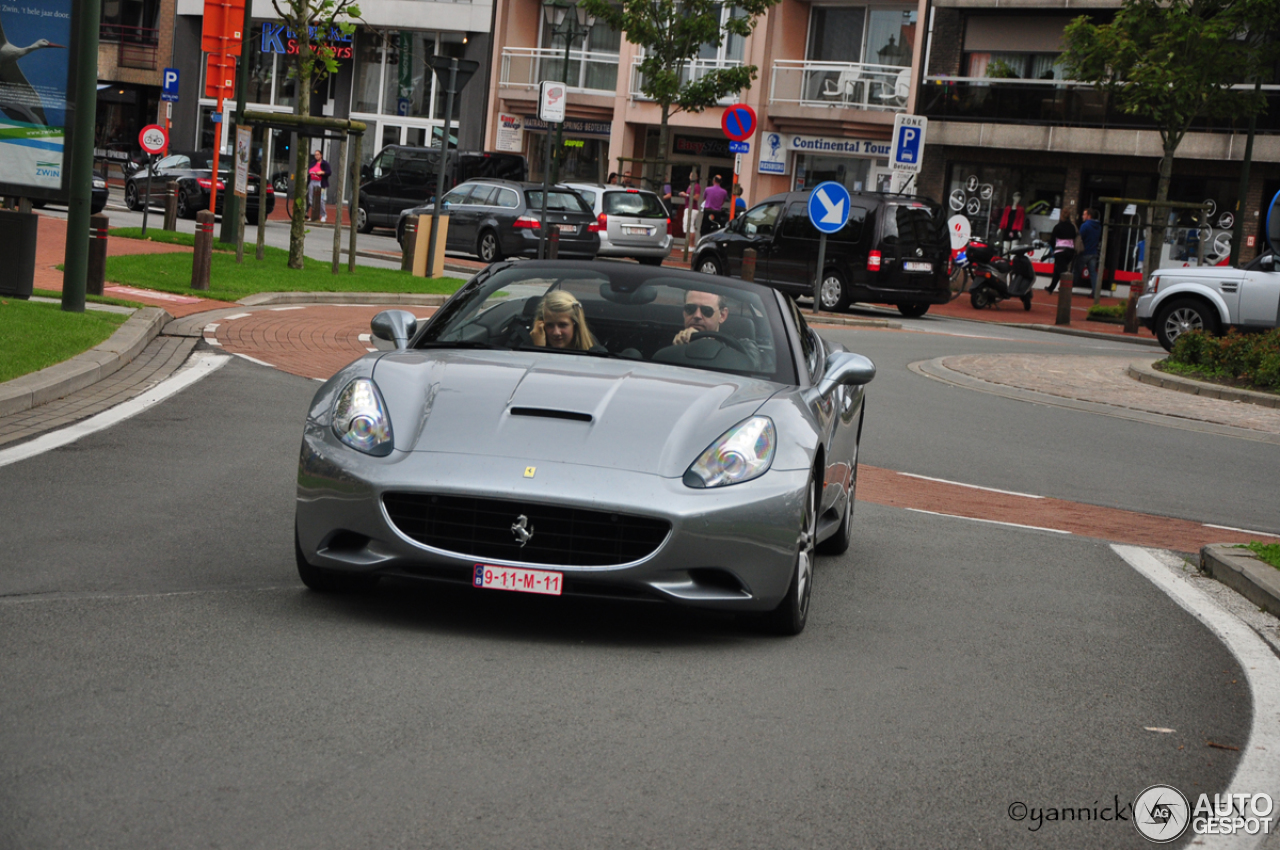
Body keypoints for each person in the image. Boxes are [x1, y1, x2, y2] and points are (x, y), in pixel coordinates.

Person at [530, 291, 596, 351]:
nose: (556, 333)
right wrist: (538, 348)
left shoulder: (595, 353)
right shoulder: (525, 350)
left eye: (562, 325)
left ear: (575, 324)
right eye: (550, 325)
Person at [1045, 216, 1077, 294]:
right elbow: (1074, 237)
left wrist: (1054, 248)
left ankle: (1066, 289)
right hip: (1070, 251)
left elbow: (1052, 239)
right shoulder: (1072, 227)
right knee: (1058, 269)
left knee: (1062, 271)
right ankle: (1051, 288)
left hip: (1060, 251)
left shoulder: (1058, 227)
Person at [1076, 208, 1102, 290]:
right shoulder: (1098, 226)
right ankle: (1095, 291)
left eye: (1084, 214)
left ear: (1089, 216)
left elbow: (1080, 238)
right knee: (1093, 273)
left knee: (1076, 271)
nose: (1082, 216)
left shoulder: (1085, 226)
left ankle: (1068, 289)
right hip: (1093, 252)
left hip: (1084, 252)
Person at [307, 148, 331, 223]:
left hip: (320, 182)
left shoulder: (325, 163)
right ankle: (314, 215)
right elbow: (309, 170)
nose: (316, 156)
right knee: (311, 199)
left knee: (321, 200)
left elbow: (329, 172)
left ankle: (323, 215)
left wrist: (322, 172)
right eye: (315, 155)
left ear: (321, 155)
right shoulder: (313, 162)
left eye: (318, 155)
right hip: (312, 181)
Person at [679, 168, 702, 242]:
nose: (691, 177)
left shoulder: (696, 186)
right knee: (686, 226)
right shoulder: (690, 185)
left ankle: (691, 246)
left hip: (692, 208)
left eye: (693, 176)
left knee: (690, 226)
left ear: (697, 177)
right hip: (688, 207)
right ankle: (688, 245)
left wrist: (686, 195)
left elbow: (696, 197)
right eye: (691, 175)